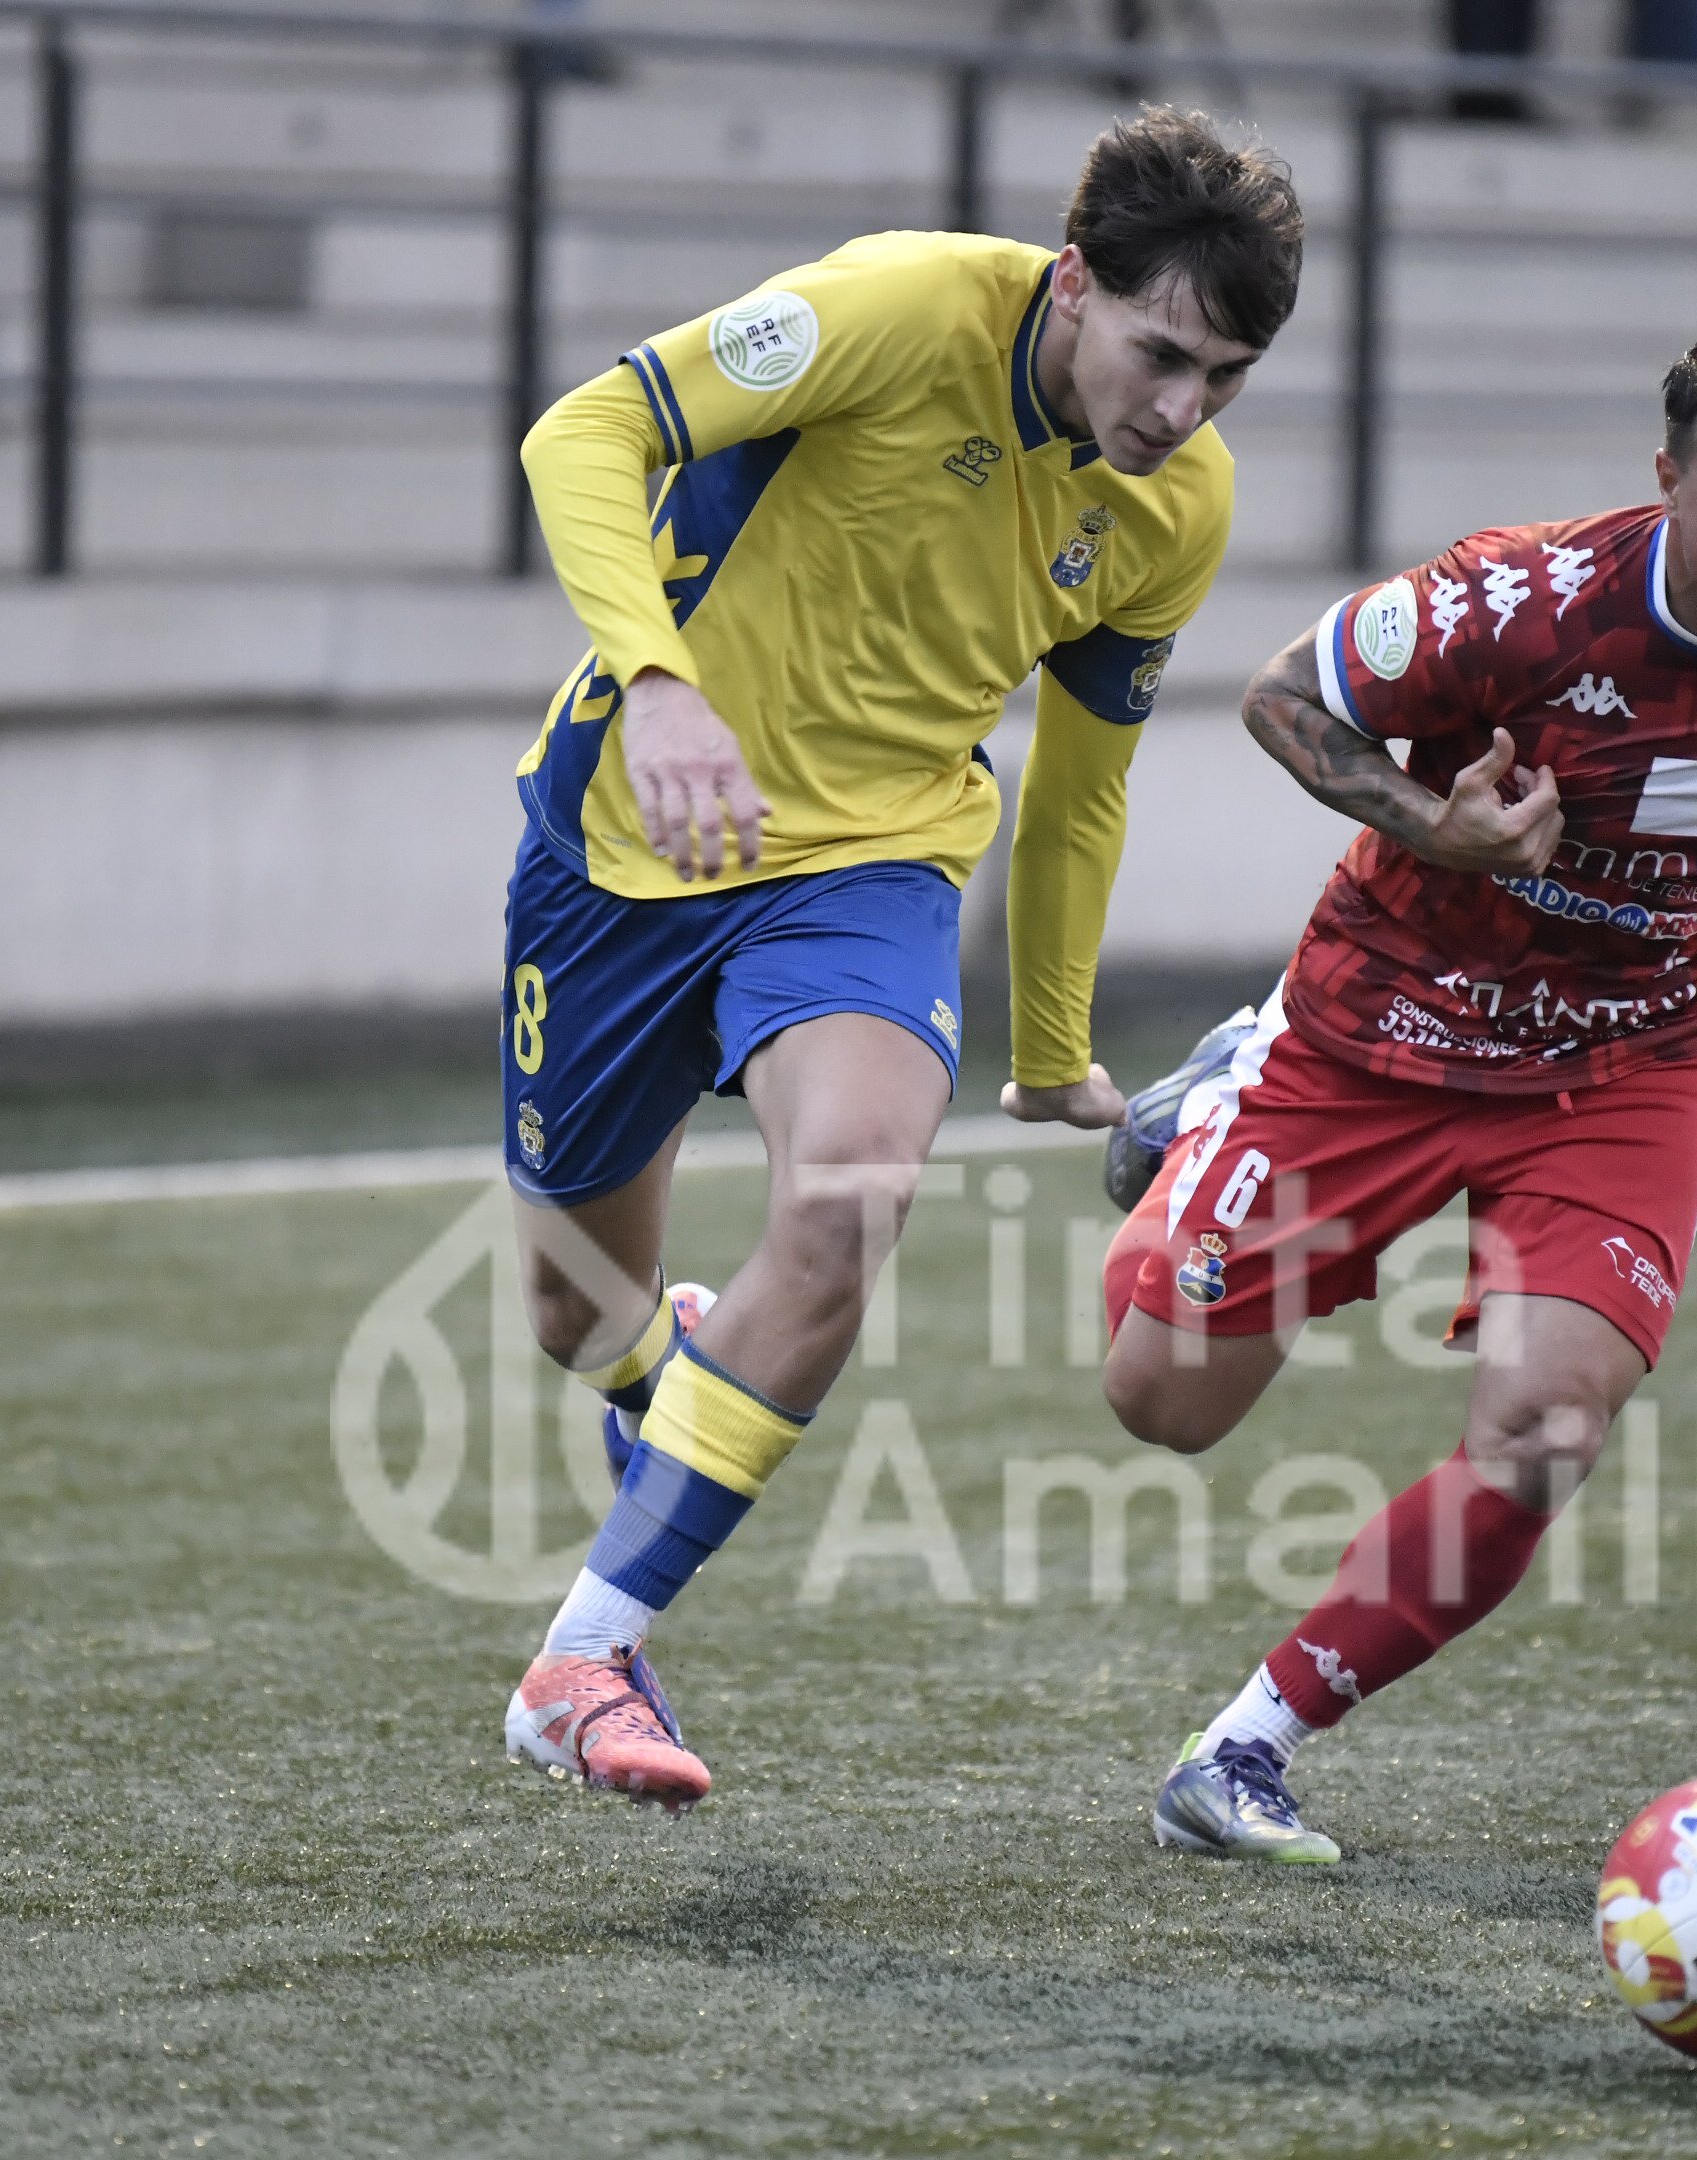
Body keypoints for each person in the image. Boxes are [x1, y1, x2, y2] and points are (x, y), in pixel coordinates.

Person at [496, 110, 1306, 1812]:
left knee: (854, 1194)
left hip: (872, 867)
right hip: (630, 844)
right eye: (1163, 355)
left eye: (1227, 378)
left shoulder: (1178, 504)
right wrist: (659, 685)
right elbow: (582, 433)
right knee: (576, 1314)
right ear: (1072, 284)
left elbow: (1082, 786)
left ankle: (584, 1659)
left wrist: (1051, 1047)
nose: (1183, 411)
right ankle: (665, 1366)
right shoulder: (896, 308)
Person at [1096, 302, 1697, 1862]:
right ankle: (1217, 1100)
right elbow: (1282, 697)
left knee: (1546, 1430)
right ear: (1668, 480)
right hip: (1384, 1028)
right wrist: (1443, 830)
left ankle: (1247, 1750)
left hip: (1626, 1058)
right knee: (1163, 1403)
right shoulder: (1518, 602)